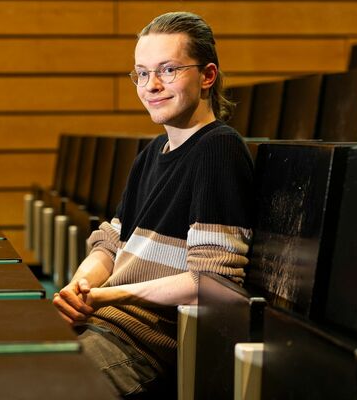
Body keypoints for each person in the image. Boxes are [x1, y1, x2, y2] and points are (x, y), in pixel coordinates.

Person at [52, 11, 255, 399]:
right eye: (142, 73)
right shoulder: (150, 154)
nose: (152, 85)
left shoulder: (218, 150)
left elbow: (211, 282)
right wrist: (79, 288)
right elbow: (110, 242)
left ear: (207, 76)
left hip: (144, 348)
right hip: (103, 323)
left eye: (169, 70)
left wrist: (107, 295)